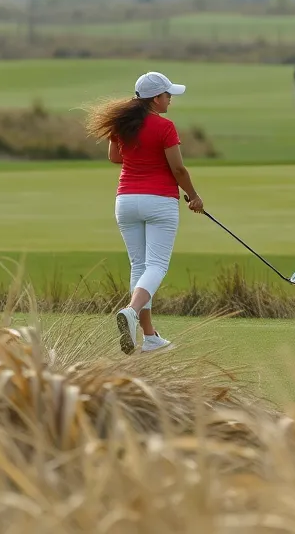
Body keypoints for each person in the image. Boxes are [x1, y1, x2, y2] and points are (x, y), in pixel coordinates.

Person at [85, 71, 205, 355]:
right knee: (156, 267)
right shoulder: (165, 127)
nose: (170, 100)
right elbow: (178, 169)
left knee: (139, 267)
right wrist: (195, 196)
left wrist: (140, 154)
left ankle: (149, 337)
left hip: (125, 201)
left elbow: (115, 157)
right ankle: (131, 311)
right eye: (167, 95)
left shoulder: (123, 123)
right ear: (155, 98)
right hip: (159, 201)